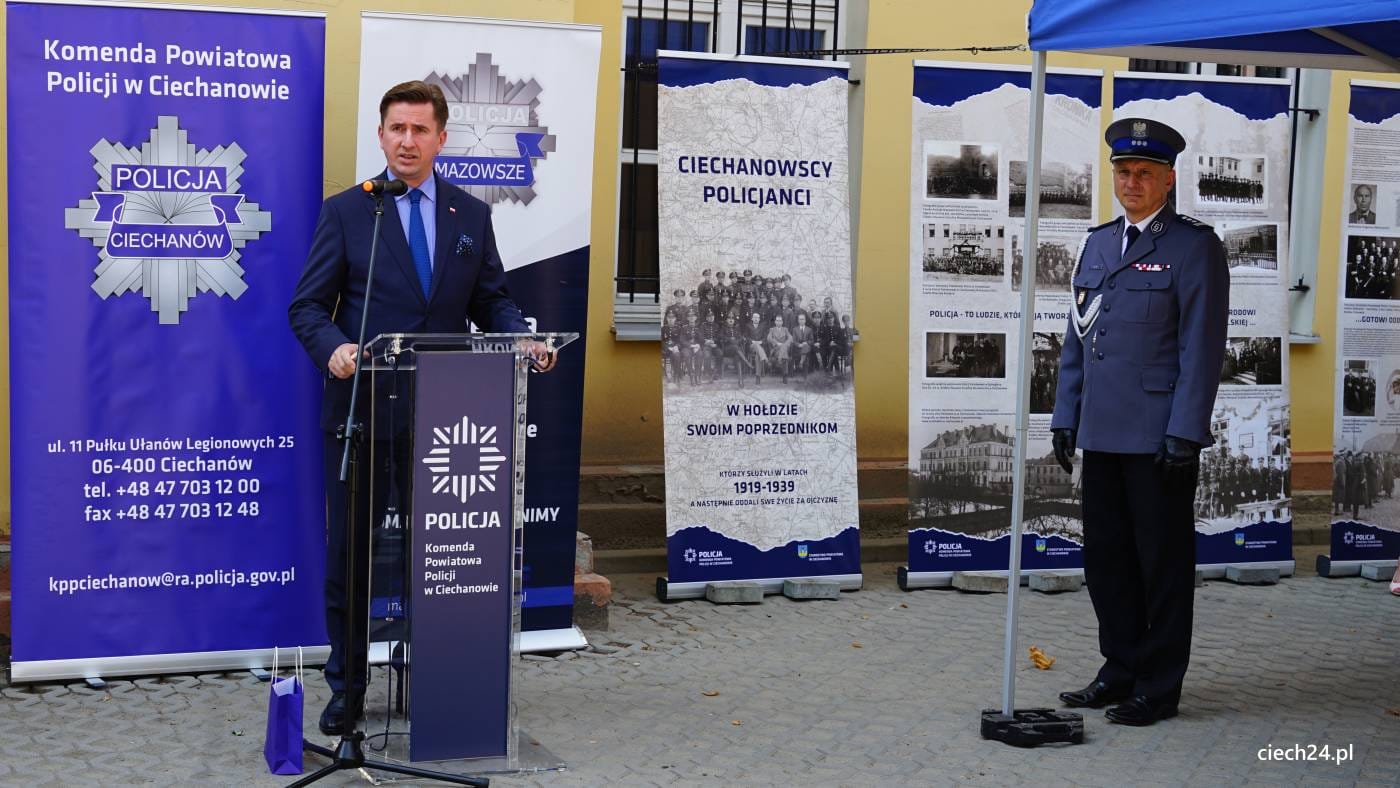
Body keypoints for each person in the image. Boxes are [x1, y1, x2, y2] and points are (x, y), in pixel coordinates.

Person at [288, 80, 555, 736]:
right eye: (396, 129)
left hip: (447, 421)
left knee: (439, 557)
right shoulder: (349, 212)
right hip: (362, 414)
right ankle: (348, 687)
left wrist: (520, 336)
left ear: (441, 138)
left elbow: (490, 301)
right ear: (381, 136)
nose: (407, 141)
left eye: (419, 130)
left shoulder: (470, 216)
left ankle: (440, 680)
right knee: (353, 559)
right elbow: (307, 307)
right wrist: (335, 348)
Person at [1050, 117, 1229, 727]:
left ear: (1168, 180)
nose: (1131, 182)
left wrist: (1186, 430)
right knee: (1107, 561)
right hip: (1101, 429)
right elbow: (1078, 340)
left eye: (1144, 173)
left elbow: (1201, 347)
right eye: (1123, 172)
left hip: (1158, 434)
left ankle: (1159, 685)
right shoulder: (1097, 244)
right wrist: (1065, 414)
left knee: (1162, 565)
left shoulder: (1194, 247)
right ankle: (1120, 667)